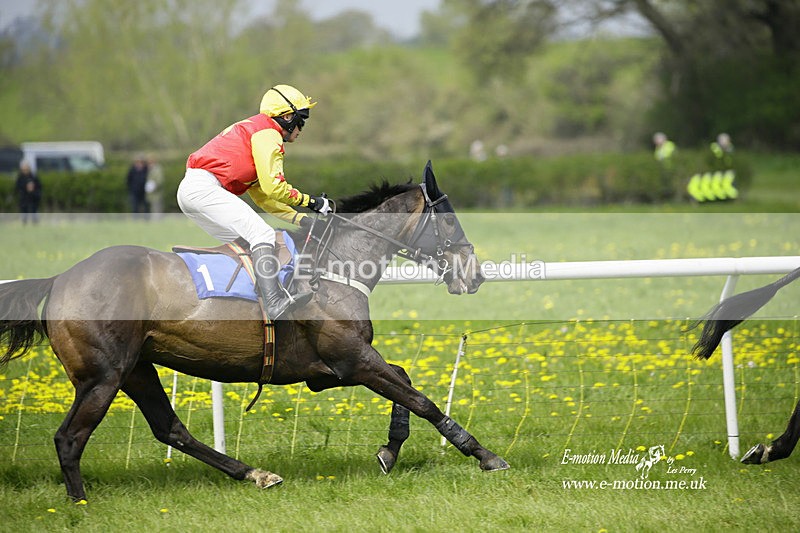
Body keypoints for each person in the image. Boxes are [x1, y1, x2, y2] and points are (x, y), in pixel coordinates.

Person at [177, 84, 332, 319]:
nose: (301, 129)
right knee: (263, 235)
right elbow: (274, 186)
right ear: (287, 117)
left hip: (193, 190)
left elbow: (265, 197)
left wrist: (300, 219)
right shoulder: (269, 134)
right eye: (302, 120)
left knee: (247, 245)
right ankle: (274, 302)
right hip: (204, 189)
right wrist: (312, 203)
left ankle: (247, 305)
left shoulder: (256, 132)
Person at [652, 132, 677, 200]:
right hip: (662, 169)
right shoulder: (658, 148)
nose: (655, 142)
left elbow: (672, 155)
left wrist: (663, 158)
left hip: (671, 168)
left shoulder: (670, 145)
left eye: (657, 140)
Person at [145, 155, 165, 220]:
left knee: (157, 207)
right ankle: (153, 219)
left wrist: (154, 186)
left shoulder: (157, 169)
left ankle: (157, 220)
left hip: (156, 193)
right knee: (152, 207)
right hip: (150, 193)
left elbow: (159, 180)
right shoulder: (149, 169)